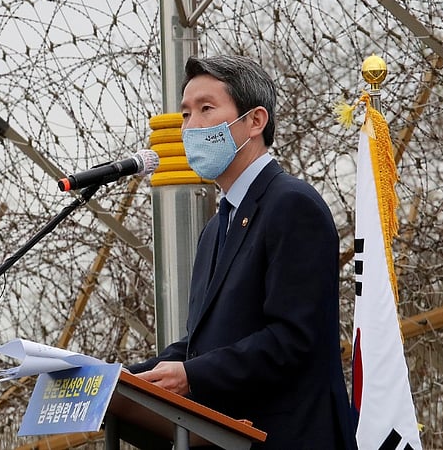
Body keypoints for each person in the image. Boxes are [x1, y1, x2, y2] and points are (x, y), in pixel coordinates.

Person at [128, 55, 356, 449]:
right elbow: (204, 345)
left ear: (255, 121)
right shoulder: (217, 226)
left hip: (290, 437)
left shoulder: (291, 205)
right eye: (185, 114)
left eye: (206, 109)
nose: (191, 126)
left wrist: (192, 375)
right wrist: (121, 380)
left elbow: (292, 339)